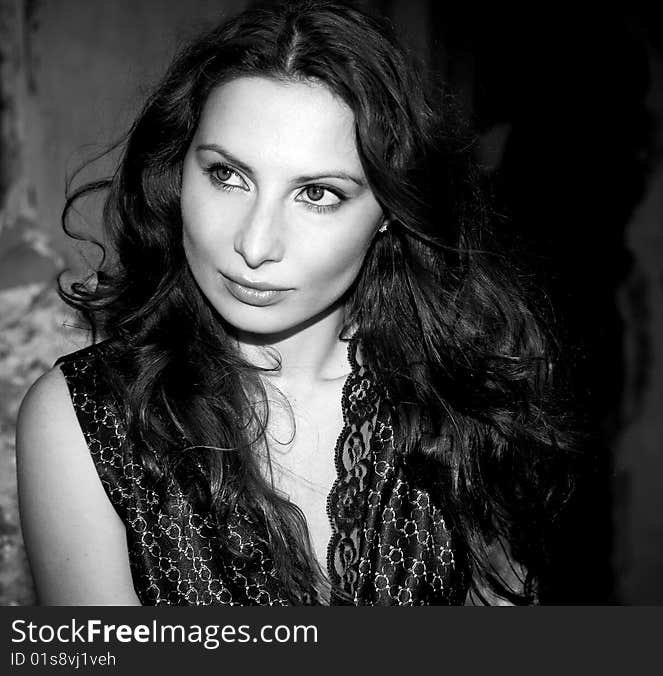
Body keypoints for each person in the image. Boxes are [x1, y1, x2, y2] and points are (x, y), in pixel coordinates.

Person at [16, 0, 579, 606]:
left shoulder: (469, 392)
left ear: (392, 209)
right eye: (228, 176)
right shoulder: (83, 421)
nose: (253, 245)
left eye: (316, 194)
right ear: (178, 171)